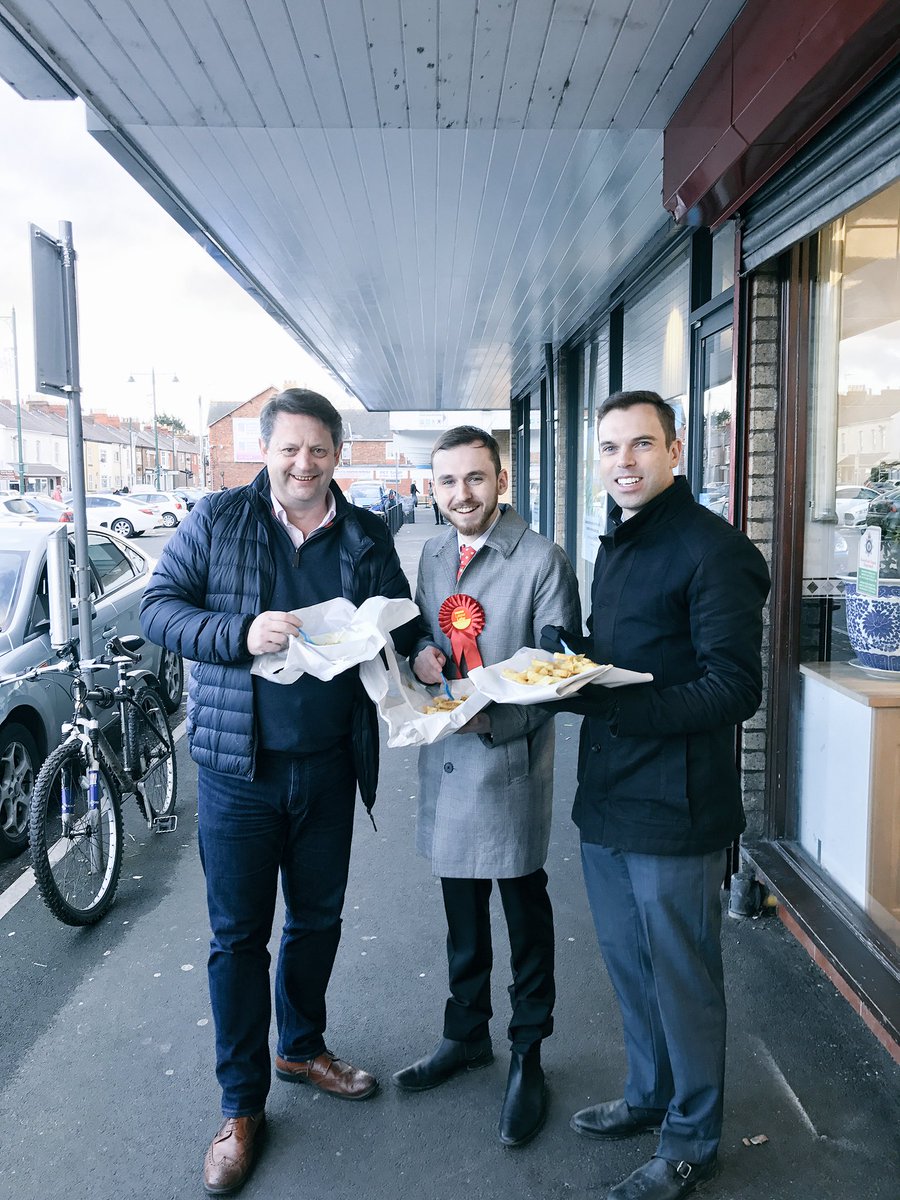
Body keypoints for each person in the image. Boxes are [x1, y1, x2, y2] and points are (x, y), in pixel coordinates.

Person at [140, 388, 418, 1196]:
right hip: (239, 773)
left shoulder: (366, 533)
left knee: (318, 920)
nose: (304, 463)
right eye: (289, 448)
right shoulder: (218, 519)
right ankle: (240, 1106)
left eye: (318, 449)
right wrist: (239, 631)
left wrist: (425, 651)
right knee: (237, 939)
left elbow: (400, 622)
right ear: (264, 450)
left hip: (330, 766)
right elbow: (159, 610)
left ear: (338, 455)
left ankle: (300, 1047)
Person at [541, 391, 770, 1200]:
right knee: (631, 965)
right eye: (610, 448)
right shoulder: (620, 541)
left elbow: (734, 687)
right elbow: (629, 658)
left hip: (676, 806)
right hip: (608, 794)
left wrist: (617, 706)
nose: (624, 462)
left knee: (682, 978)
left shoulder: (715, 550)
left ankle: (692, 1141)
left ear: (676, 450)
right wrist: (568, 664)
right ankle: (649, 1093)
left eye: (641, 444)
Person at [393, 426, 581, 1148]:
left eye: (475, 478)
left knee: (524, 913)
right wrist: (423, 654)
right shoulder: (435, 553)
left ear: (501, 479)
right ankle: (466, 1033)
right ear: (433, 487)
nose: (461, 494)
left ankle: (529, 1052)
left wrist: (494, 719)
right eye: (447, 481)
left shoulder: (541, 560)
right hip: (446, 759)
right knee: (461, 911)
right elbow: (421, 632)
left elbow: (560, 675)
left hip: (507, 763)